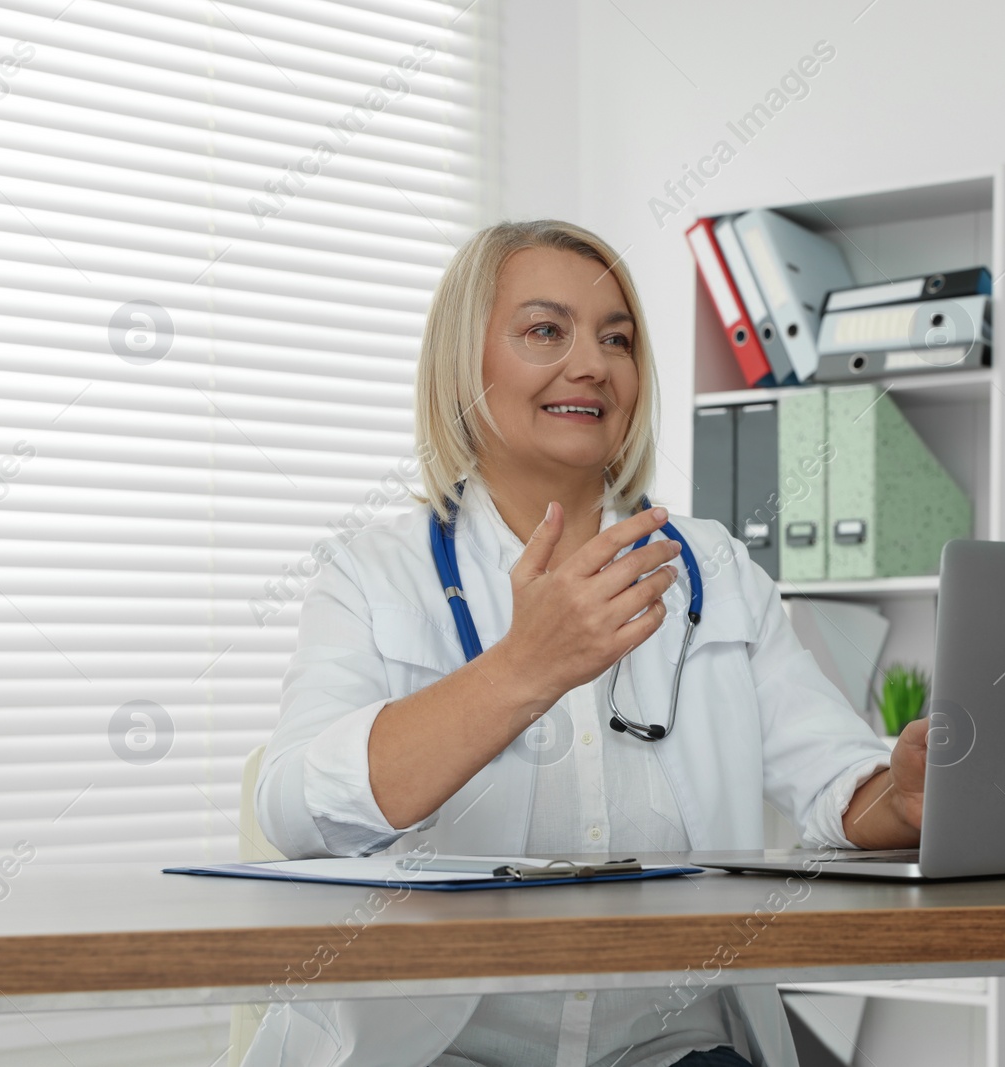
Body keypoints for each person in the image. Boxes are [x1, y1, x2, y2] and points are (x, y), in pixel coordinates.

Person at [246, 220, 928, 1067]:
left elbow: (834, 779)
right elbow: (295, 808)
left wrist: (900, 794)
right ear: (467, 364)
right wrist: (522, 670)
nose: (593, 364)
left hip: (669, 1050)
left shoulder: (708, 569)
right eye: (545, 331)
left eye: (618, 338)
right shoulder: (375, 574)